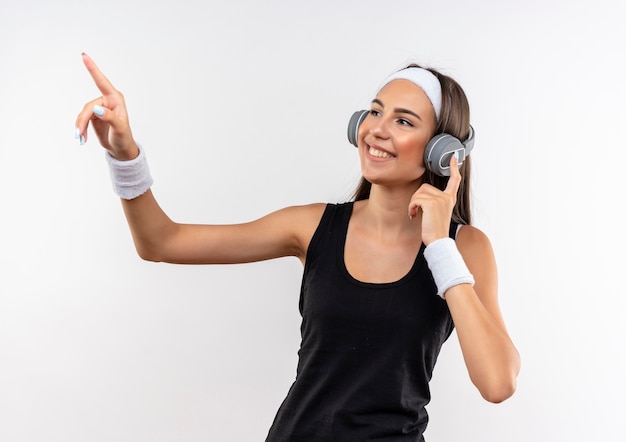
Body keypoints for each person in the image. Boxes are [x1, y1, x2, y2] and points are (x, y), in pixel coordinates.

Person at [75, 53, 520, 441]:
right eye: (374, 112)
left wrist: (439, 245)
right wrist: (124, 151)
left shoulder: (465, 247)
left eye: (403, 121)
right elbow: (160, 242)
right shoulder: (312, 226)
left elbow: (497, 382)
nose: (376, 130)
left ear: (442, 150)